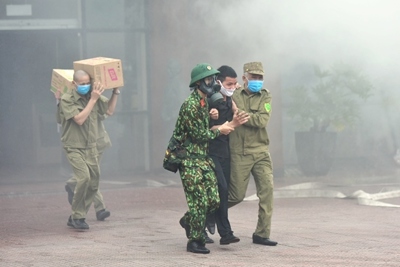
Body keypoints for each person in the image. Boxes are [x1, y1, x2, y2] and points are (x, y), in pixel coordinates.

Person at [174, 63, 234, 254]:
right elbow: (199, 135)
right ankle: (195, 241)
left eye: (212, 79)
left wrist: (212, 116)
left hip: (202, 157)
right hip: (189, 158)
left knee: (214, 200)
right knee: (199, 200)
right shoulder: (191, 105)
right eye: (208, 80)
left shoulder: (204, 102)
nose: (212, 83)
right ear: (198, 83)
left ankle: (188, 220)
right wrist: (220, 130)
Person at [58, 70, 119, 230]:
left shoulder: (93, 96)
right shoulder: (67, 99)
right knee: (83, 178)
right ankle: (78, 216)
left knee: (93, 183)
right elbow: (79, 119)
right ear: (74, 84)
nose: (85, 86)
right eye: (82, 83)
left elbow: (109, 110)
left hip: (91, 146)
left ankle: (76, 216)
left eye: (87, 83)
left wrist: (115, 92)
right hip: (74, 146)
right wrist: (93, 99)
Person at [228, 62, 278, 246]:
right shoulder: (233, 94)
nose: (257, 80)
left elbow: (262, 121)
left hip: (261, 151)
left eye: (260, 77)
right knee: (236, 196)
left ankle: (262, 234)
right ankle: (202, 216)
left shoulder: (266, 96)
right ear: (244, 78)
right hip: (239, 152)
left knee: (267, 193)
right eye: (254, 77)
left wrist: (238, 112)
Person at [205, 65, 249, 245]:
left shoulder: (229, 100)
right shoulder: (210, 101)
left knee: (223, 193)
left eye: (234, 84)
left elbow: (236, 113)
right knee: (219, 189)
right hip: (210, 152)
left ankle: (225, 233)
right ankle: (199, 225)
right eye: (229, 84)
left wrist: (238, 114)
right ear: (218, 82)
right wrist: (232, 124)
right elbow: (209, 129)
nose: (232, 87)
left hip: (225, 152)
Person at [64, 113, 113, 221]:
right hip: (84, 145)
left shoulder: (93, 99)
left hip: (98, 143)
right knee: (90, 176)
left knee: (91, 176)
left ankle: (72, 183)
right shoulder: (75, 102)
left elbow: (105, 113)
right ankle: (100, 208)